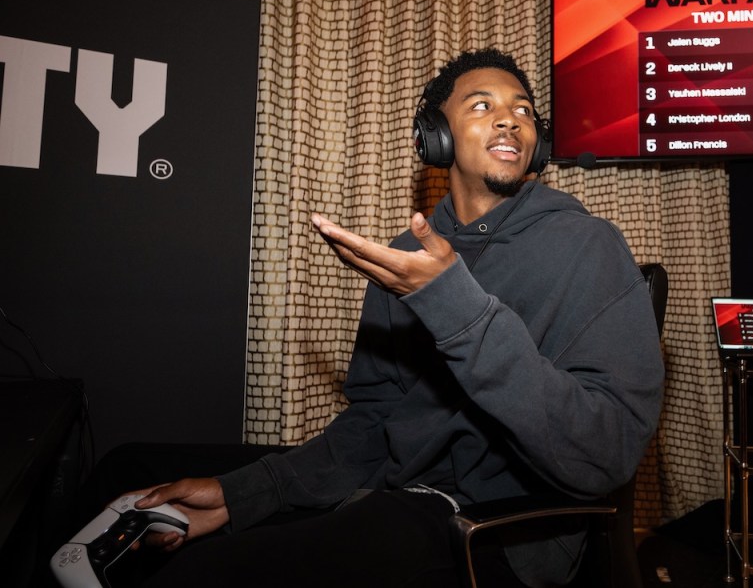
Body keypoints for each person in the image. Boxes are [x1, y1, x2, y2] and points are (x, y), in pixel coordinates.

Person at [99, 48, 664, 587]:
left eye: (523, 110)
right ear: (435, 135)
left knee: (205, 574)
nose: (510, 120)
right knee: (129, 470)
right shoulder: (407, 256)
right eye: (482, 105)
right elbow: (375, 420)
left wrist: (454, 304)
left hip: (497, 533)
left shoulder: (587, 247)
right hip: (395, 489)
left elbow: (606, 453)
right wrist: (242, 494)